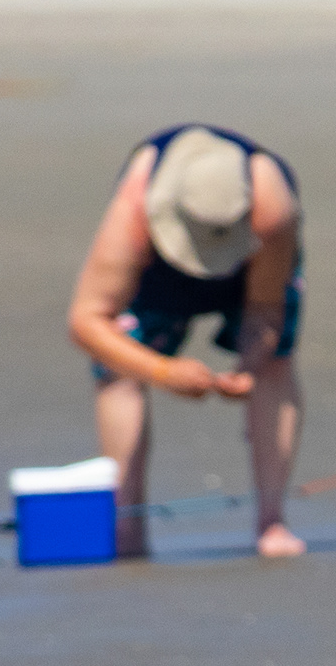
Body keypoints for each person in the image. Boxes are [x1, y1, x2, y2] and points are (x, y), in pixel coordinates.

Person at [67, 124, 306, 559]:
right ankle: (128, 525)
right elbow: (86, 321)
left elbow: (265, 309)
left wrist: (248, 365)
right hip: (155, 271)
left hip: (249, 267)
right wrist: (162, 371)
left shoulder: (272, 206)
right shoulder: (136, 202)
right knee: (119, 369)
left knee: (275, 364)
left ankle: (272, 520)